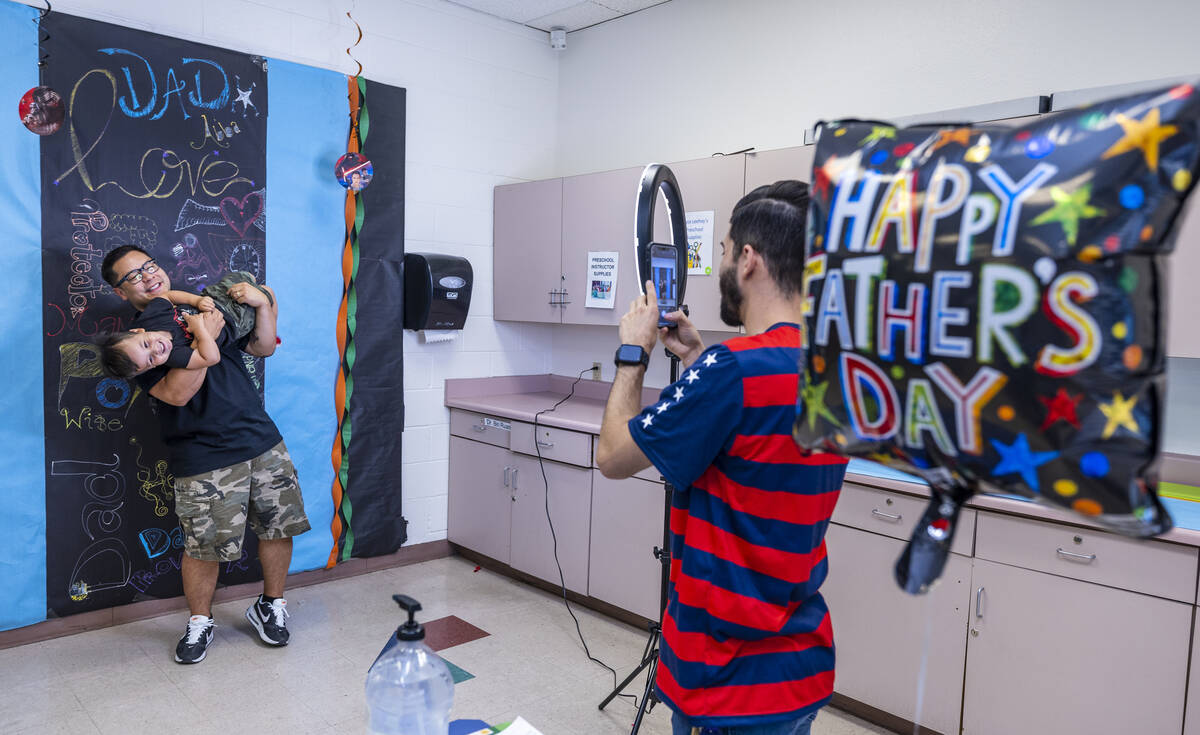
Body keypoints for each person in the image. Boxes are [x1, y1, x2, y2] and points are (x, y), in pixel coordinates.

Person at [597, 181, 849, 735]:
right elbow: (754, 438)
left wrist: (633, 355)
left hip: (728, 679)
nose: (723, 263)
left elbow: (613, 455)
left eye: (725, 251)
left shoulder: (733, 370)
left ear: (750, 260)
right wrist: (696, 358)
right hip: (795, 668)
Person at [101, 244, 311, 665]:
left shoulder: (196, 308)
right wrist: (206, 336)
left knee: (278, 526)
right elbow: (178, 394)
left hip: (260, 437)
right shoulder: (136, 347)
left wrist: (263, 304)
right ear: (122, 293)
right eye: (133, 276)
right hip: (203, 456)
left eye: (150, 266)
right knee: (203, 547)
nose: (147, 276)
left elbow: (263, 347)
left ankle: (271, 603)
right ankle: (200, 620)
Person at [98, 268, 274, 379]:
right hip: (234, 321)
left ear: (138, 330)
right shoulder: (175, 357)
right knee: (266, 295)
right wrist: (201, 331)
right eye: (151, 359)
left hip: (215, 297)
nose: (157, 349)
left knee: (246, 275)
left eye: (145, 344)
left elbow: (166, 296)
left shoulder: (151, 318)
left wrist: (196, 301)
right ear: (153, 367)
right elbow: (210, 358)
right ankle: (263, 298)